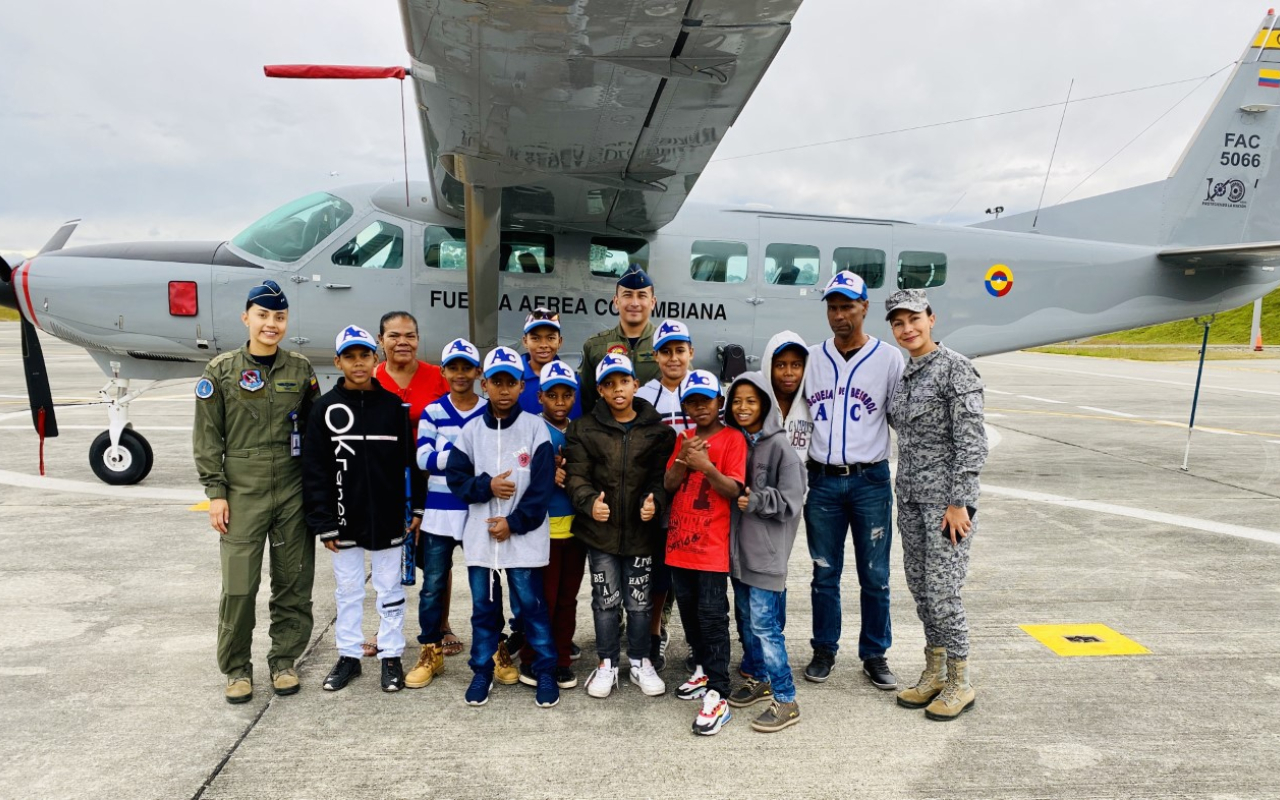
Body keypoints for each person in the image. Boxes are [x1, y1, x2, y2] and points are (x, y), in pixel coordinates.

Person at [193, 279, 321, 704]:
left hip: (291, 485)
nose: (271, 324)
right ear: (246, 317)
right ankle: (236, 669)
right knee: (239, 587)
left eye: (279, 317)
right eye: (263, 316)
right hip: (243, 489)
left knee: (293, 581)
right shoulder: (221, 370)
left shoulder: (300, 370)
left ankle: (283, 661)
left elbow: (316, 433)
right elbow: (208, 437)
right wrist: (216, 491)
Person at [302, 325, 424, 693]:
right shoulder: (324, 409)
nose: (358, 363)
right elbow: (315, 469)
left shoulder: (393, 407)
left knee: (389, 589)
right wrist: (323, 522)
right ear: (338, 361)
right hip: (343, 518)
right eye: (350, 357)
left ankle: (390, 655)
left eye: (365, 355)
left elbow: (411, 462)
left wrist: (415, 508)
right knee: (349, 590)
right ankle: (349, 656)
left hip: (388, 517)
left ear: (376, 358)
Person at [884, 289, 987, 722]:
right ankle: (936, 670)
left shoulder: (956, 369)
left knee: (944, 591)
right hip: (909, 498)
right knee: (921, 589)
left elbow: (972, 442)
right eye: (898, 323)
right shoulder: (907, 374)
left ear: (931, 318)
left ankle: (960, 680)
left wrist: (959, 501)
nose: (907, 329)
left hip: (946, 506)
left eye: (914, 319)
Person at [803, 271, 905, 690]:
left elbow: (902, 420)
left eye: (848, 306)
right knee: (824, 572)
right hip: (823, 481)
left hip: (870, 480)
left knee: (875, 575)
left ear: (865, 307)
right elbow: (797, 421)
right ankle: (824, 649)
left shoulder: (888, 358)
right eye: (833, 306)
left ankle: (875, 653)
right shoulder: (811, 358)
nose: (840, 315)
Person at [445, 346, 561, 709]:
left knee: (530, 606)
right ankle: (482, 669)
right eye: (497, 382)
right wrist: (487, 486)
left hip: (522, 539)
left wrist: (513, 523)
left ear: (521, 386)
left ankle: (545, 669)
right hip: (481, 539)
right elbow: (456, 479)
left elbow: (540, 489)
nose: (505, 389)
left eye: (512, 382)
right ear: (485, 384)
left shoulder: (534, 429)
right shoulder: (470, 431)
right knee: (483, 608)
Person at [563, 353, 674, 700]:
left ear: (635, 384)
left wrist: (654, 502)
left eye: (623, 381)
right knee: (606, 601)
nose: (617, 389)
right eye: (609, 384)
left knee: (640, 603)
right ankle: (607, 662)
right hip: (601, 537)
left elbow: (662, 479)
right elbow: (576, 476)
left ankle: (641, 661)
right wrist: (587, 501)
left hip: (642, 538)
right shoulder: (583, 428)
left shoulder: (658, 431)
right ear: (599, 391)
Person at [664, 370, 748, 736]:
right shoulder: (683, 438)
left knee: (713, 619)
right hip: (679, 546)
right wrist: (684, 459)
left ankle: (719, 691)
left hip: (711, 548)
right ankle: (702, 670)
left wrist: (705, 466)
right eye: (692, 401)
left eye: (706, 400)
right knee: (690, 616)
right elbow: (668, 484)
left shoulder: (733, 439)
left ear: (719, 403)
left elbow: (733, 489)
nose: (699, 407)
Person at [405, 338, 490, 690]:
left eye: (466, 367)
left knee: (485, 586)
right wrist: (466, 458)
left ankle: (489, 650)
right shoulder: (433, 411)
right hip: (440, 513)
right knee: (433, 586)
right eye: (453, 367)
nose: (460, 374)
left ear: (477, 372)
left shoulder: (489, 411)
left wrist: (448, 454)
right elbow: (423, 458)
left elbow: (493, 457)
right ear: (443, 372)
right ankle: (430, 651)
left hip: (479, 511)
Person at [725, 372, 807, 732]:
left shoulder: (781, 448)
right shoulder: (737, 442)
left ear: (765, 405)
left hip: (767, 556)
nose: (743, 407)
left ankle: (786, 699)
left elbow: (792, 500)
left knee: (765, 626)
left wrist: (757, 500)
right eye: (737, 401)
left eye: (751, 400)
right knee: (747, 621)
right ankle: (759, 676)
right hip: (740, 554)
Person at [367, 310, 450, 658]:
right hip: (386, 484)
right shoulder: (370, 378)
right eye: (394, 335)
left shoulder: (437, 377)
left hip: (433, 482)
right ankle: (384, 625)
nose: (403, 342)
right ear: (381, 340)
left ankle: (441, 625)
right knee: (385, 557)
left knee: (437, 559)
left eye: (410, 335)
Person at [517, 362, 586, 689]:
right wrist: (546, 473)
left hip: (574, 531)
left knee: (567, 599)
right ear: (540, 396)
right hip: (541, 532)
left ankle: (559, 657)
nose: (560, 401)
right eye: (553, 395)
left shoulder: (579, 431)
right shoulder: (530, 429)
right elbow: (517, 473)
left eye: (567, 395)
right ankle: (532, 658)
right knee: (541, 598)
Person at [636, 318, 696, 669]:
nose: (674, 358)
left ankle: (697, 638)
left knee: (695, 576)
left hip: (699, 501)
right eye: (666, 351)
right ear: (656, 356)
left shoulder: (706, 388)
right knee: (659, 575)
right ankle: (655, 635)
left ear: (690, 351)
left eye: (680, 350)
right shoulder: (645, 396)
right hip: (660, 498)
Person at [578, 264, 660, 414]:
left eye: (642, 296)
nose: (634, 303)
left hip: (655, 431)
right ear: (616, 301)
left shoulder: (667, 345)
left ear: (652, 302)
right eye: (627, 295)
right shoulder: (595, 346)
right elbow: (586, 400)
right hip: (608, 432)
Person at [517, 307, 582, 420]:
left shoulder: (573, 381)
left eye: (550, 338)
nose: (543, 345)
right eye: (535, 338)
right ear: (525, 341)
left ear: (559, 341)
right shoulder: (513, 379)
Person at [762, 330, 813, 458]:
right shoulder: (753, 406)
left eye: (796, 365)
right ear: (769, 367)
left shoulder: (812, 408)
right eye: (780, 365)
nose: (788, 372)